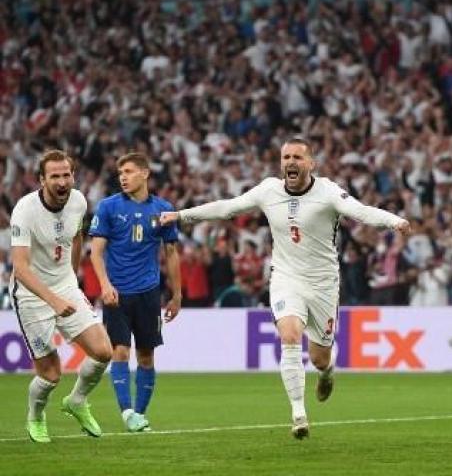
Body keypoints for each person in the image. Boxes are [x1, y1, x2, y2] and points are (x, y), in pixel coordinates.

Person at [159, 137, 410, 439]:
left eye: (297, 157)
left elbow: (362, 211)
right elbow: (228, 207)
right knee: (289, 336)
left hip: (323, 284)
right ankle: (298, 414)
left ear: (311, 163)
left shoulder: (328, 192)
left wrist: (394, 220)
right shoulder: (268, 190)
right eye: (286, 157)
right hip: (285, 277)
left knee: (319, 357)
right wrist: (182, 216)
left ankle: (327, 372)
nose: (291, 162)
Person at [10, 150, 112, 443]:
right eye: (54, 176)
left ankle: (77, 401)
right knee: (51, 374)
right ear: (42, 180)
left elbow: (76, 236)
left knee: (103, 351)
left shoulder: (78, 201)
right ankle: (36, 416)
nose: (62, 181)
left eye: (66, 175)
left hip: (65, 287)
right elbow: (20, 268)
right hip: (31, 295)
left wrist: (71, 277)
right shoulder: (25, 210)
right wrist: (52, 300)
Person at [89, 152, 181, 432]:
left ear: (145, 173)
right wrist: (105, 285)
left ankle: (139, 415)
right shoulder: (108, 207)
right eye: (120, 173)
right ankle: (127, 411)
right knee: (119, 351)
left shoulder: (163, 210)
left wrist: (176, 295)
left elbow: (172, 253)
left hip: (149, 293)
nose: (123, 177)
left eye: (129, 172)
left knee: (146, 356)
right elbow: (95, 253)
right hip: (117, 293)